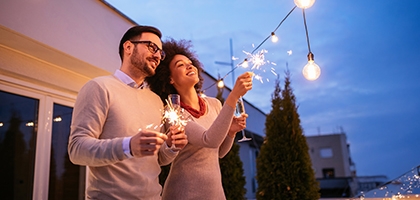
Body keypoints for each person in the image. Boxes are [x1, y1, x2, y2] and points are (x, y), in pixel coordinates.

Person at [68, 26, 188, 200]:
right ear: (128, 47)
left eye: (160, 53)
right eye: (151, 47)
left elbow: (159, 159)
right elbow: (77, 150)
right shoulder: (99, 87)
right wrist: (128, 146)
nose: (157, 56)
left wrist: (170, 146)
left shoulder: (155, 100)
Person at [146, 38, 253, 200]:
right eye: (180, 65)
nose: (189, 66)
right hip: (183, 193)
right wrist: (233, 96)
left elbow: (218, 152)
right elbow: (209, 139)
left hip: (215, 193)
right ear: (170, 79)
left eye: (190, 62)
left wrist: (230, 133)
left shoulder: (214, 104)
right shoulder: (173, 111)